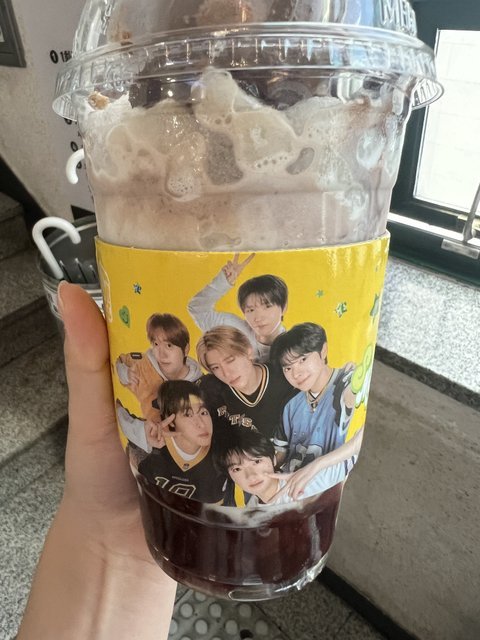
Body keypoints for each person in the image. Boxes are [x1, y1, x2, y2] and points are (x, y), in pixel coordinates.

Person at [18, 282, 176, 640]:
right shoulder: (143, 369)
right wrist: (101, 529)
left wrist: (100, 532)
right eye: (156, 343)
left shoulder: (195, 376)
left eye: (168, 344)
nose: (161, 350)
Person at [269, 322, 364, 498]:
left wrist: (317, 465)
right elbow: (282, 452)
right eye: (288, 368)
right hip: (290, 489)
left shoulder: (345, 383)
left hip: (327, 488)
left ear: (323, 350)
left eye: (303, 360)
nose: (296, 373)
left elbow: (361, 434)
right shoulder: (291, 404)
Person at [196, 325, 296, 439]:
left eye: (230, 360)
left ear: (248, 351)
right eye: (216, 367)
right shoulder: (210, 391)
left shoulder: (285, 378)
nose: (226, 373)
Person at [188, 253, 288, 362]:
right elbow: (198, 308)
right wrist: (223, 281)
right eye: (251, 310)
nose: (258, 317)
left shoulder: (295, 345)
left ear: (284, 307)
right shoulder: (236, 332)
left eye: (267, 306)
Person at [138, 380, 225, 503]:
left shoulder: (223, 455)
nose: (201, 424)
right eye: (188, 415)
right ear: (171, 420)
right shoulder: (152, 444)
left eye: (203, 413)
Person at [215, 426, 349, 506]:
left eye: (257, 461)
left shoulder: (306, 483)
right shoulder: (250, 509)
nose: (251, 475)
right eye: (237, 469)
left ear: (273, 459)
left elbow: (356, 447)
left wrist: (316, 466)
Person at [115, 313, 202, 420]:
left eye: (169, 345)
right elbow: (120, 361)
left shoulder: (200, 383)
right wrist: (126, 374)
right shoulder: (145, 366)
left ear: (185, 349)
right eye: (156, 344)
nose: (162, 354)